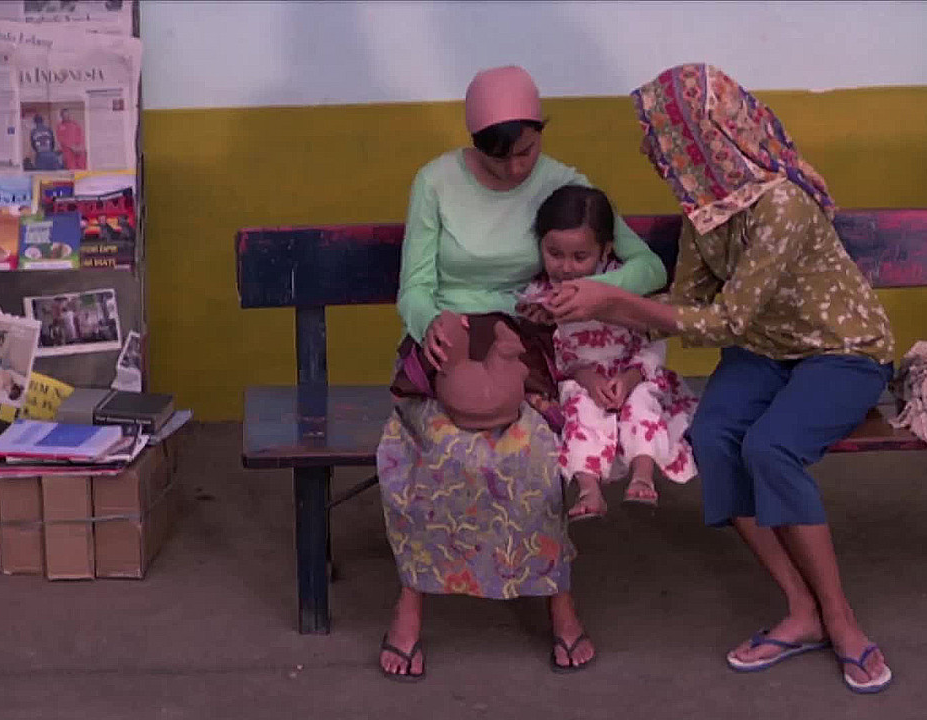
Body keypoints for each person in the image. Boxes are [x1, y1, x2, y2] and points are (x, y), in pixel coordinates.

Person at [544, 64, 897, 694]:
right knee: (712, 440)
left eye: (663, 139)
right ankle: (801, 610)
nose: (654, 152)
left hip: (842, 353)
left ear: (704, 139)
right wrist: (617, 332)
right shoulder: (705, 213)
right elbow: (687, 309)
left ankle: (841, 620)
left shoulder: (781, 206)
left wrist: (609, 302)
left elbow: (722, 318)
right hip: (763, 353)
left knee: (771, 448)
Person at [374, 65, 668, 680]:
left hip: (534, 344)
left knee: (534, 451)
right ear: (474, 142)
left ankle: (560, 604)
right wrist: (430, 323)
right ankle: (411, 602)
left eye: (526, 151)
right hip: (449, 339)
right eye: (498, 156)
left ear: (541, 132)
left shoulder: (566, 185)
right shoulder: (435, 181)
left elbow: (647, 270)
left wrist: (588, 290)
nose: (515, 169)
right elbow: (415, 285)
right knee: (428, 448)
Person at [518, 185, 697, 522]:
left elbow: (653, 337)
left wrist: (631, 376)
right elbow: (544, 352)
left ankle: (643, 476)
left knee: (643, 403)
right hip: (579, 377)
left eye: (580, 257)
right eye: (555, 254)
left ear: (605, 249)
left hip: (633, 373)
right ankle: (589, 489)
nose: (566, 268)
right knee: (580, 410)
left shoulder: (625, 285)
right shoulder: (539, 295)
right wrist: (583, 376)